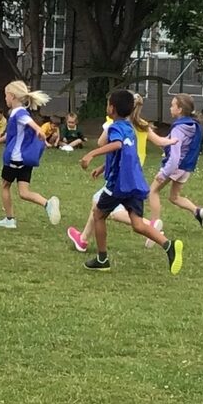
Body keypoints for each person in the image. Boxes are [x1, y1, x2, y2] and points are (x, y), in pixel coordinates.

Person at [77, 88, 184, 274]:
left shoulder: (115, 127)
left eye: (108, 104)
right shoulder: (130, 128)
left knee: (98, 214)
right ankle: (169, 245)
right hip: (134, 181)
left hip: (118, 183)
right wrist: (103, 167)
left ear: (112, 108)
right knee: (138, 224)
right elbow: (124, 154)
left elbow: (117, 144)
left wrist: (91, 154)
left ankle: (102, 259)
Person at [0, 81, 60, 228]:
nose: (5, 98)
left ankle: (9, 220)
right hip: (25, 159)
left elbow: (30, 123)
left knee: (5, 185)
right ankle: (47, 204)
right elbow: (11, 135)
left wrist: (39, 131)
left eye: (6, 95)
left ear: (12, 96)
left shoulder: (18, 112)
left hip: (15, 159)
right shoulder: (19, 113)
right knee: (24, 192)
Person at [147, 94, 203, 237]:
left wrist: (164, 173)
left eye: (172, 105)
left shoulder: (179, 129)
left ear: (180, 109)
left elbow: (174, 155)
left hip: (175, 166)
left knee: (153, 191)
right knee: (174, 197)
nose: (170, 108)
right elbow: (165, 143)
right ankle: (197, 211)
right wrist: (151, 134)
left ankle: (154, 225)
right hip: (186, 167)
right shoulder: (192, 125)